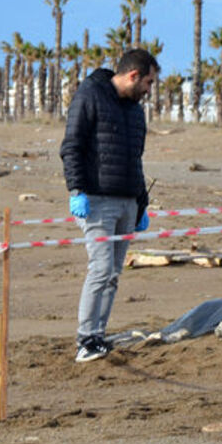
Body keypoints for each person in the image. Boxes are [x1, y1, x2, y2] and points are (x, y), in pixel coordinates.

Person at [60, 48, 159, 363]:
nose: (149, 90)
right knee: (100, 269)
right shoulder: (90, 95)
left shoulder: (135, 111)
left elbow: (135, 159)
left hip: (127, 203)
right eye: (148, 82)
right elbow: (71, 146)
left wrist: (141, 206)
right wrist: (76, 190)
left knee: (114, 273)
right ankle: (85, 339)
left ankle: (98, 336)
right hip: (97, 201)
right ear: (133, 75)